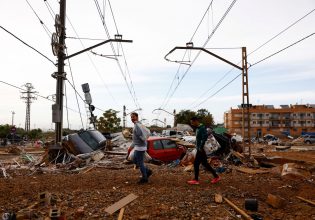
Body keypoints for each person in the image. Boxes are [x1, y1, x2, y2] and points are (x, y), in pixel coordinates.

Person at [187, 116, 221, 185]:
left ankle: (196, 180)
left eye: (192, 122)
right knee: (205, 164)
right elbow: (199, 138)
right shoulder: (198, 128)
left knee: (196, 164)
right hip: (199, 148)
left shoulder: (202, 128)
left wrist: (201, 146)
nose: (192, 124)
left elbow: (205, 137)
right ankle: (216, 177)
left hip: (201, 149)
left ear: (196, 121)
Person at [130, 112, 152, 184]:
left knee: (139, 163)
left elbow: (142, 136)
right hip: (139, 147)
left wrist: (141, 140)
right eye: (131, 117)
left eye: (133, 117)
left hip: (140, 147)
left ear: (137, 117)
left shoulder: (137, 126)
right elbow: (138, 136)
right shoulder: (138, 124)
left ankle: (145, 178)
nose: (132, 118)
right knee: (135, 160)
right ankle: (147, 171)